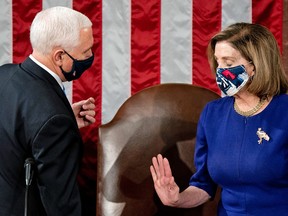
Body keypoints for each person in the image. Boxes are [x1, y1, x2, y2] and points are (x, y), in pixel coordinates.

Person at [150, 22, 288, 215]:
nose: (220, 71)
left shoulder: (284, 111)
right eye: (218, 62)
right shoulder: (212, 113)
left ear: (255, 66)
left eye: (228, 63)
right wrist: (177, 199)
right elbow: (204, 184)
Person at [0, 6, 96, 216]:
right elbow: (61, 203)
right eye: (86, 51)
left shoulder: (3, 74)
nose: (91, 55)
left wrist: (64, 117)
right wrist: (59, 121)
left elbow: (13, 133)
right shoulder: (54, 119)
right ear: (59, 56)